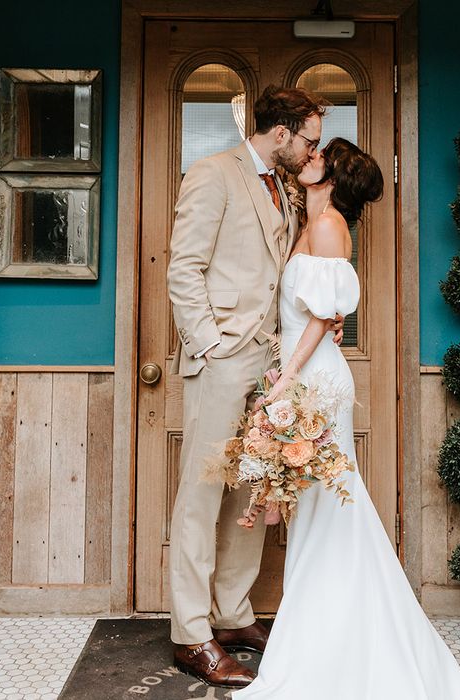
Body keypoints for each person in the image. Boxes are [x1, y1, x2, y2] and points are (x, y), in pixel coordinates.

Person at [232, 138, 460, 699]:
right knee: (323, 512)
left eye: (320, 158)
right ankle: (328, 635)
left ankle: (337, 645)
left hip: (315, 381)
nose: (309, 159)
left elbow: (323, 317)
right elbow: (326, 308)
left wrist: (287, 378)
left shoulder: (327, 227)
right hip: (308, 372)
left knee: (327, 510)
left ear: (334, 179)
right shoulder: (314, 220)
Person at [166, 85, 342, 689]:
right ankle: (191, 633)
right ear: (283, 130)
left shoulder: (284, 187)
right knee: (201, 493)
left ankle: (234, 614)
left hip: (269, 362)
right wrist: (209, 344)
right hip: (221, 359)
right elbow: (183, 266)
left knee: (249, 490)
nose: (313, 148)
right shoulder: (214, 173)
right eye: (310, 138)